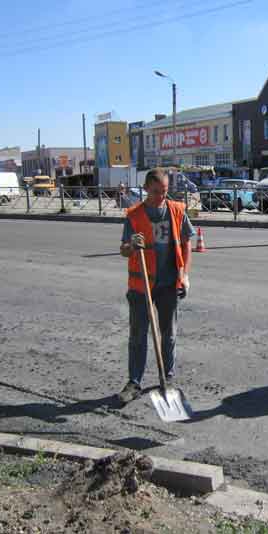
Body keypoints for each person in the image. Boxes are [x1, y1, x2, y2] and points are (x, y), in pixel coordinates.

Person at [118, 168, 196, 402]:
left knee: (169, 334)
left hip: (169, 283)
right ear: (145, 190)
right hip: (141, 285)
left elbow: (186, 244)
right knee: (138, 335)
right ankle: (134, 383)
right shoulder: (134, 215)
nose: (161, 196)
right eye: (155, 192)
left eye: (164, 191)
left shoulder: (176, 211)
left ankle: (167, 377)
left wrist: (184, 275)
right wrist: (131, 245)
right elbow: (123, 250)